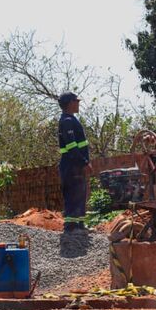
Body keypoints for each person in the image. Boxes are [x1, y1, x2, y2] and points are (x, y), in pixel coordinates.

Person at [58, 92, 91, 232]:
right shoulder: (67, 121)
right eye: (76, 101)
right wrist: (84, 162)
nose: (78, 103)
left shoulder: (71, 119)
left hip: (75, 165)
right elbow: (71, 146)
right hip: (71, 166)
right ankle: (71, 226)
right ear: (71, 103)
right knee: (72, 194)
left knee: (80, 194)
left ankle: (80, 224)